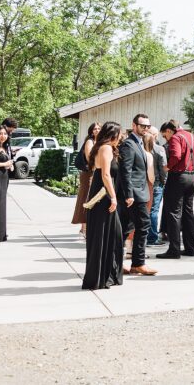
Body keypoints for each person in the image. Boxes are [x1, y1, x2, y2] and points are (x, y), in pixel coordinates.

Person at [82, 121, 124, 290]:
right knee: (106, 235)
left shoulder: (100, 147)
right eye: (119, 134)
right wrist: (113, 197)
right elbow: (106, 175)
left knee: (110, 234)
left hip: (99, 193)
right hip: (104, 195)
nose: (121, 137)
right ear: (113, 134)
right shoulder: (105, 148)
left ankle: (106, 274)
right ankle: (100, 277)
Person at [118, 113, 157, 276]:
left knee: (126, 228)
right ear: (134, 126)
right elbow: (125, 171)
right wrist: (129, 194)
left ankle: (117, 262)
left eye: (148, 126)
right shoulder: (129, 144)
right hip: (133, 194)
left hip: (138, 192)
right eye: (143, 126)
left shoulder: (139, 143)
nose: (146, 129)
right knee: (143, 225)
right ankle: (138, 263)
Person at [157, 120, 194, 259]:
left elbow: (176, 155)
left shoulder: (176, 137)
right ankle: (190, 248)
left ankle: (174, 249)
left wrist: (167, 167)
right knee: (188, 212)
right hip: (193, 176)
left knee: (174, 213)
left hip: (179, 176)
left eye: (164, 136)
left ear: (169, 131)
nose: (166, 139)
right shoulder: (191, 136)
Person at [72, 122, 101, 236]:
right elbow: (90, 159)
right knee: (86, 197)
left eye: (99, 128)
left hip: (96, 173)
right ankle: (84, 228)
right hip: (89, 173)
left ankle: (88, 227)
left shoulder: (100, 142)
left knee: (93, 198)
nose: (97, 130)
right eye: (95, 129)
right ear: (91, 131)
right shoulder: (90, 142)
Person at [146, 127, 166, 246]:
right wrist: (164, 181)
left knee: (146, 210)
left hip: (144, 184)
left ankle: (145, 235)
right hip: (157, 183)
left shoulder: (141, 149)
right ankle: (152, 237)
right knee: (154, 210)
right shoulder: (159, 149)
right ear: (155, 135)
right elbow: (163, 168)